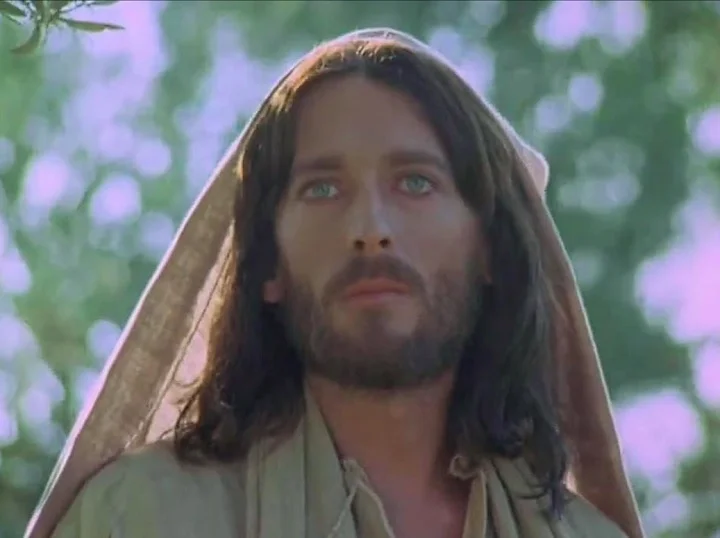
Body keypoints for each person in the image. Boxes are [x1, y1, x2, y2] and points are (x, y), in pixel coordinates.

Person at [25, 28, 646, 538]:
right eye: (322, 189)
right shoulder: (143, 516)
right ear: (268, 268)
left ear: (490, 253)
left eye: (416, 182)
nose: (370, 230)